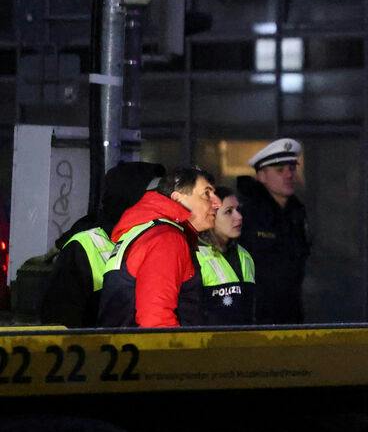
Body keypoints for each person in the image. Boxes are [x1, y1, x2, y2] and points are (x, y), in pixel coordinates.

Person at [39, 160, 164, 327]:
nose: (163, 201)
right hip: (101, 350)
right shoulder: (84, 246)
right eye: (154, 195)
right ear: (130, 197)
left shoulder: (165, 240)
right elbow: (60, 320)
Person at [99, 166, 222, 328]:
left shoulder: (148, 231)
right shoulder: (167, 238)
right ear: (178, 198)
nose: (217, 203)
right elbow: (156, 320)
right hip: (158, 351)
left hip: (129, 348)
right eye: (206, 193)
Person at [238, 138, 312, 325]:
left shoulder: (296, 213)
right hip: (257, 317)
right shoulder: (246, 215)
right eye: (280, 170)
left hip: (291, 314)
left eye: (292, 169)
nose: (289, 175)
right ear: (261, 176)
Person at [195, 187, 258, 324]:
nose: (239, 217)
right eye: (228, 212)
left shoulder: (244, 255)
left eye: (238, 210)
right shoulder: (196, 256)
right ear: (211, 215)